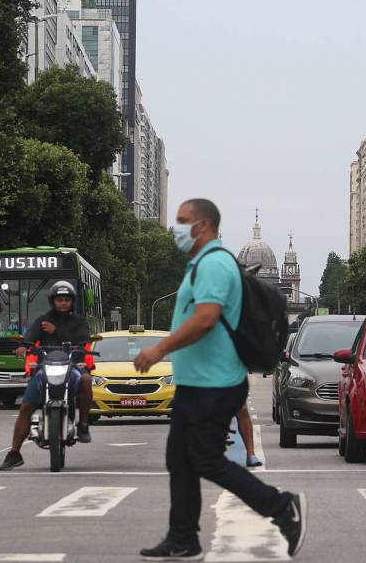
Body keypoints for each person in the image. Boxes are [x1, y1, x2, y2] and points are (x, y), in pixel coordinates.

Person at [134, 199, 305, 561]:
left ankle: (282, 507)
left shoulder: (213, 264)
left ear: (204, 225)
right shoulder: (202, 263)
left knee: (205, 459)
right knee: (180, 460)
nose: (177, 228)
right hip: (196, 383)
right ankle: (183, 538)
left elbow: (206, 318)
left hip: (214, 383)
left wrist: (159, 349)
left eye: (184, 221)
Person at [0, 280, 93, 471]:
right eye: (59, 299)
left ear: (72, 301)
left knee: (86, 379)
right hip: (46, 367)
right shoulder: (43, 320)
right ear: (53, 301)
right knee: (26, 407)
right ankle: (14, 453)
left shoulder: (80, 321)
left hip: (72, 366)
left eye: (67, 299)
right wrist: (23, 346)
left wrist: (56, 332)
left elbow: (83, 339)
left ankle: (83, 424)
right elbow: (30, 337)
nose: (63, 303)